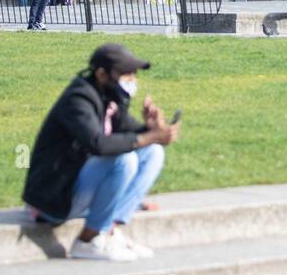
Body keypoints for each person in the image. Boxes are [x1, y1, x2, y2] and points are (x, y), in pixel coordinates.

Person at [22, 43, 179, 261]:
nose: (131, 78)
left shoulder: (109, 97)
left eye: (132, 74)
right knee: (123, 160)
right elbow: (99, 144)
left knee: (152, 152)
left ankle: (107, 232)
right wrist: (151, 136)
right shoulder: (78, 99)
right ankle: (87, 240)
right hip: (55, 195)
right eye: (125, 74)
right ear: (101, 74)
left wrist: (152, 129)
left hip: (80, 187)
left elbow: (130, 132)